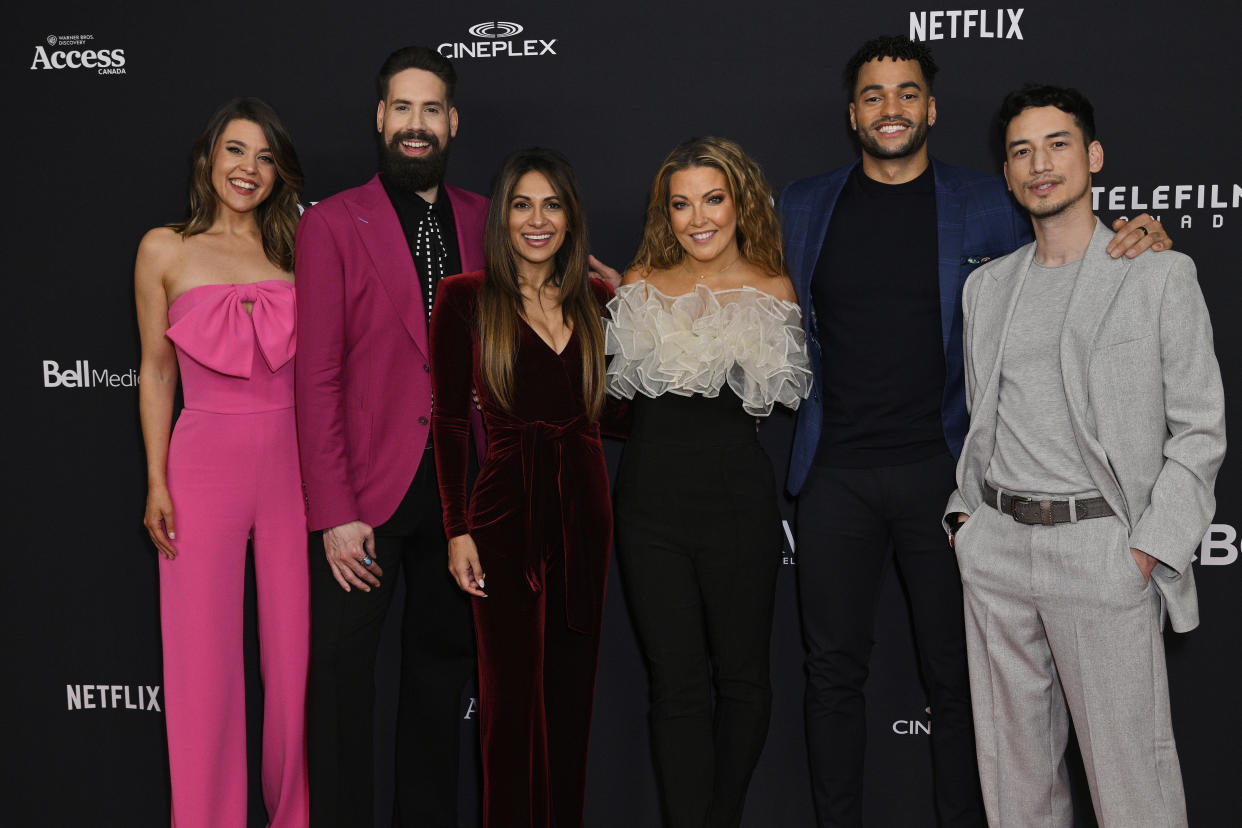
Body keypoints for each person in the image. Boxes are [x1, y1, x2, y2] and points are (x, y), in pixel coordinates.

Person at [778, 35, 1172, 828]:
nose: (891, 108)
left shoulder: (990, 201)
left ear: (931, 106)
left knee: (962, 683)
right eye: (874, 95)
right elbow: (734, 280)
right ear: (853, 114)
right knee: (830, 678)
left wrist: (1146, 237)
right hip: (836, 473)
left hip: (947, 469)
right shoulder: (802, 203)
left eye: (906, 92)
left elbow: (1070, 256)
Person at [944, 84, 1222, 828]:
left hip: (1101, 554)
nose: (1040, 164)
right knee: (1015, 787)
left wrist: (1144, 551)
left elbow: (1200, 432)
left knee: (1135, 790)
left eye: (1057, 144)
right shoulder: (986, 289)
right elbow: (983, 419)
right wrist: (965, 518)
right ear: (1005, 173)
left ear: (1093, 157)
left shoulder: (1159, 273)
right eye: (1021, 151)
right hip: (998, 548)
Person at [294, 46, 487, 827]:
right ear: (380, 119)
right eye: (402, 109)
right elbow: (317, 378)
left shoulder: (485, 216)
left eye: (431, 110)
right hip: (364, 500)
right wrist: (335, 510)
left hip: (459, 496)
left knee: (440, 686)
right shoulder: (335, 223)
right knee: (342, 687)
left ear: (452, 122)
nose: (416, 124)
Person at [605, 136, 812, 828]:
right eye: (682, 203)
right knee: (677, 688)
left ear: (740, 202)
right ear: (666, 212)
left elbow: (773, 402)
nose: (699, 217)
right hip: (649, 511)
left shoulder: (772, 289)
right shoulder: (637, 286)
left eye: (713, 199)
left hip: (738, 510)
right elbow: (608, 401)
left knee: (745, 682)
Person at [430, 147, 617, 828]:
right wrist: (456, 529)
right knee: (507, 709)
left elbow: (620, 414)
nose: (537, 220)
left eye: (552, 204)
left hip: (585, 509)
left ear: (570, 218)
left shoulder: (597, 301)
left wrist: (639, 316)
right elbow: (450, 421)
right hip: (503, 509)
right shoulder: (464, 298)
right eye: (521, 204)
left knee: (571, 700)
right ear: (502, 216)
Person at [135, 97, 307, 827]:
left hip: (291, 471)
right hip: (200, 464)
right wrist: (156, 479)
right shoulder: (163, 249)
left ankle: (292, 816)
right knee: (203, 669)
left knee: (292, 668)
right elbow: (155, 371)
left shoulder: (298, 245)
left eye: (265, 157)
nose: (249, 169)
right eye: (237, 151)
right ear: (210, 158)